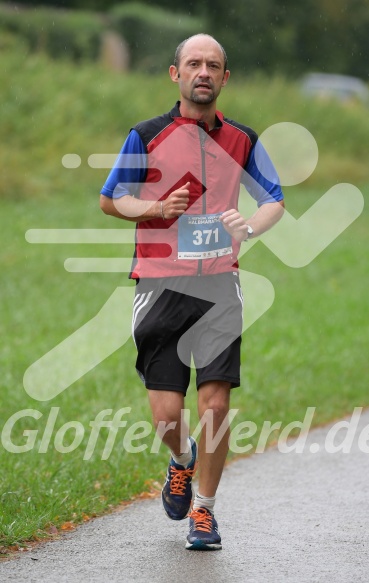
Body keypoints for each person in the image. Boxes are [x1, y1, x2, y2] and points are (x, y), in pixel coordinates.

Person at [100, 33, 284, 550]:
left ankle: (204, 511)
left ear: (225, 78)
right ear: (175, 74)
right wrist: (155, 210)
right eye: (194, 64)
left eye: (213, 65)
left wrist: (247, 227)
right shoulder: (146, 135)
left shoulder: (243, 139)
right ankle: (181, 461)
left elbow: (274, 199)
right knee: (165, 415)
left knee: (216, 405)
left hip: (221, 284)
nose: (203, 72)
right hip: (160, 285)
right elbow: (112, 198)